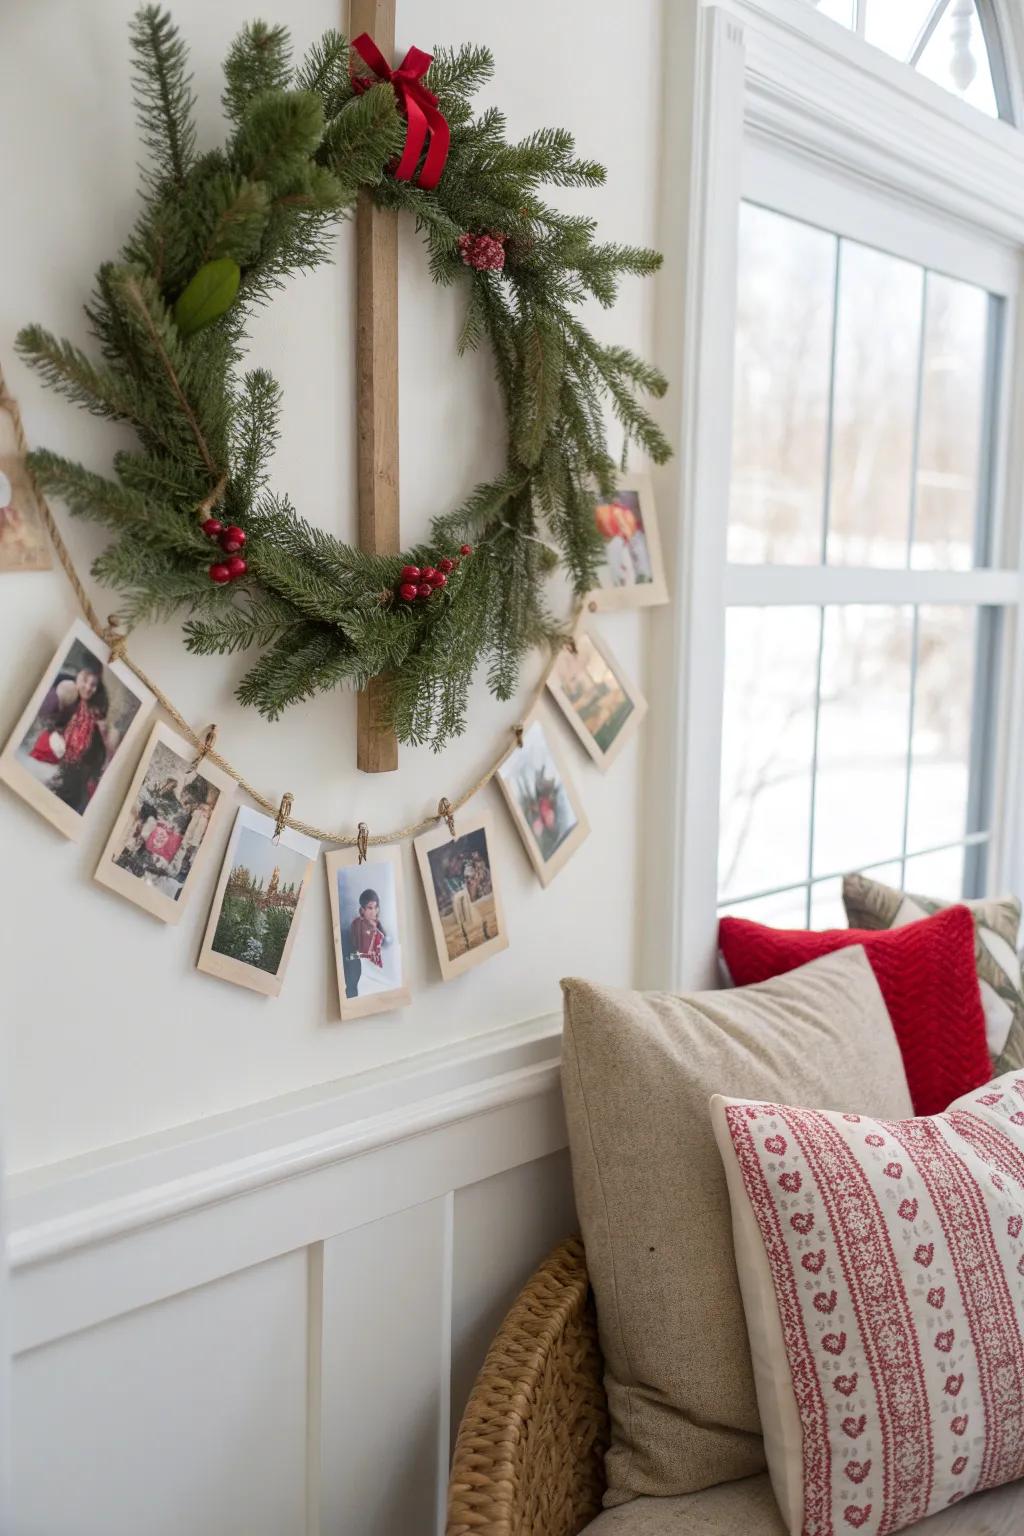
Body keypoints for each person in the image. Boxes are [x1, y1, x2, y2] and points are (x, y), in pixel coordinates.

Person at [32, 657, 114, 813]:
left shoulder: (96, 715)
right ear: (78, 676)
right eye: (85, 680)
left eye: (93, 685)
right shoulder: (65, 689)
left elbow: (100, 752)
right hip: (55, 758)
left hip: (79, 770)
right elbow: (45, 717)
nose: (88, 688)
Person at [343, 888, 387, 998]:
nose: (374, 911)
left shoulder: (378, 925)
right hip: (360, 969)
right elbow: (352, 955)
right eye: (370, 908)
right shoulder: (356, 925)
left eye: (376, 908)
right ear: (362, 910)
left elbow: (384, 946)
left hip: (377, 970)